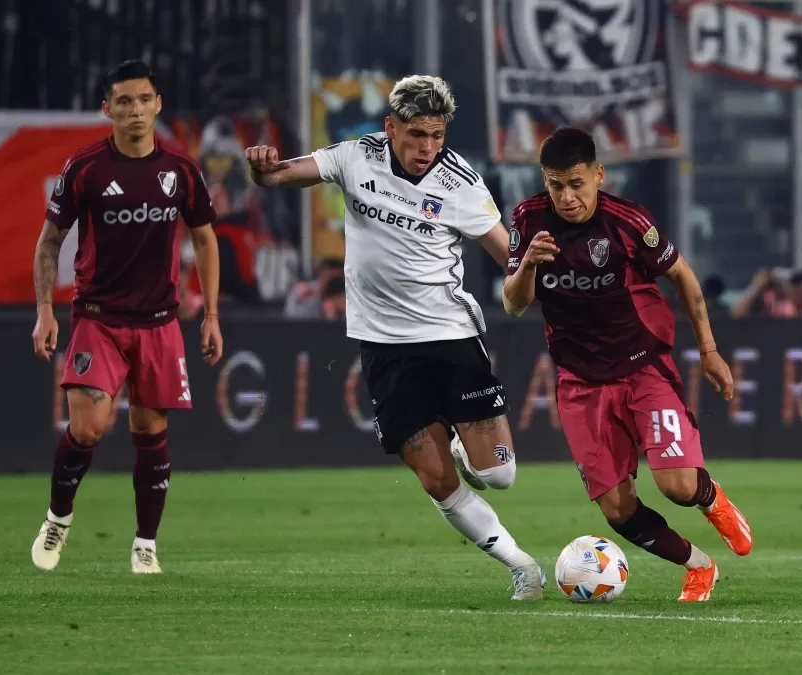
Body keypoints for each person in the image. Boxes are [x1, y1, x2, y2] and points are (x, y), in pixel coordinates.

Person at [244, 75, 544, 599]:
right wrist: (261, 167)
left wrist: (535, 274)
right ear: (390, 127)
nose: (427, 147)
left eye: (436, 134)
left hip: (450, 337)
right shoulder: (355, 157)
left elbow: (509, 257)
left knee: (498, 476)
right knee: (432, 478)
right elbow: (279, 177)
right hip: (383, 347)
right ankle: (522, 567)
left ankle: (462, 442)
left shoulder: (462, 185)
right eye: (415, 134)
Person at [504, 127, 752, 603]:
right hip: (580, 382)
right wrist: (527, 266)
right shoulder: (528, 219)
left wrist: (710, 350)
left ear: (599, 175)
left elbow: (682, 277)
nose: (567, 197)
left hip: (643, 368)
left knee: (676, 485)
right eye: (555, 185)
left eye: (576, 183)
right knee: (617, 509)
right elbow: (514, 304)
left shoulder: (629, 222)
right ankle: (699, 566)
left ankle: (709, 498)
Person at [30, 60, 224, 574]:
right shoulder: (86, 168)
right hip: (98, 316)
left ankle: (145, 546)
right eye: (124, 101)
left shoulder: (181, 171)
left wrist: (211, 314)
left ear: (158, 105)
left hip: (160, 320)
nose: (135, 110)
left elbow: (205, 238)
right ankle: (58, 516)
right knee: (89, 427)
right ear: (107, 109)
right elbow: (49, 242)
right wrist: (45, 310)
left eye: (144, 100)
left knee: (149, 427)